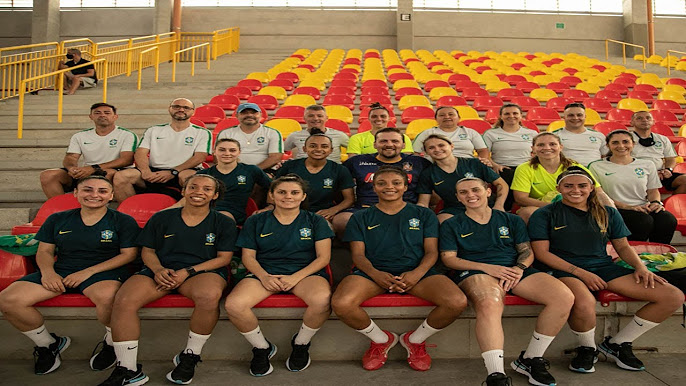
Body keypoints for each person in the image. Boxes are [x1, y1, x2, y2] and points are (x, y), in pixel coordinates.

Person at [529, 166, 684, 374]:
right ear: (559, 188)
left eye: (582, 185)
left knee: (672, 296)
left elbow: (622, 246)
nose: (576, 190)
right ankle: (587, 348)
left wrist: (640, 268)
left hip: (602, 266)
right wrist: (581, 273)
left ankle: (617, 344)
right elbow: (542, 254)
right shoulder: (545, 213)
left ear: (592, 187)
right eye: (568, 186)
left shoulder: (607, 212)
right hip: (563, 269)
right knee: (584, 302)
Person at [99, 175, 237, 386]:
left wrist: (187, 271)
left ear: (215, 195)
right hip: (160, 271)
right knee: (124, 301)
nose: (199, 191)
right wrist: (157, 269)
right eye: (193, 187)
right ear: (183, 191)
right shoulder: (162, 218)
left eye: (207, 188)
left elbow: (224, 259)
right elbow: (148, 250)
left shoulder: (223, 221)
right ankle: (127, 369)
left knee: (209, 296)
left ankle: (190, 356)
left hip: (200, 272)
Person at [331, 166, 467, 372]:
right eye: (382, 183)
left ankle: (415, 340)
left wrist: (416, 274)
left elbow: (431, 252)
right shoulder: (360, 217)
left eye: (396, 183)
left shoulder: (424, 214)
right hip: (372, 273)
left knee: (456, 302)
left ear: (405, 186)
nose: (389, 187)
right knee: (341, 303)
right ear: (374, 187)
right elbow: (358, 255)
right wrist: (377, 275)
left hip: (417, 272)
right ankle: (380, 340)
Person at [440, 177, 574, 386]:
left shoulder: (511, 220)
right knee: (489, 301)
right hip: (476, 270)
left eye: (475, 190)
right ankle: (496, 375)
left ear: (488, 192)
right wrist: (487, 267)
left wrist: (519, 269)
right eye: (463, 192)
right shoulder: (451, 223)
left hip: (512, 269)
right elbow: (449, 259)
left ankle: (530, 359)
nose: (470, 195)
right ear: (457, 197)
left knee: (563, 297)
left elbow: (526, 251)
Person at [0, 176, 139, 375]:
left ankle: (111, 342)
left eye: (102, 191)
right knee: (8, 300)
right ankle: (48, 344)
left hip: (104, 271)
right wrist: (48, 273)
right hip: (63, 270)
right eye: (87, 190)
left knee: (110, 299)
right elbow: (45, 251)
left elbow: (129, 255)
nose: (94, 195)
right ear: (76, 193)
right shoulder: (57, 218)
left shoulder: (123, 220)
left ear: (111, 196)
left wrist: (88, 272)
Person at [225, 174, 334, 376]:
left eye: (294, 193)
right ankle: (261, 348)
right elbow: (248, 257)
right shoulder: (256, 220)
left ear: (303, 196)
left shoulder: (316, 221)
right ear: (272, 195)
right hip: (265, 273)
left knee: (322, 300)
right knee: (234, 305)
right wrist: (264, 276)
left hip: (305, 273)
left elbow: (323, 258)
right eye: (282, 192)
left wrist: (295, 278)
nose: (288, 197)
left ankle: (301, 344)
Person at [332, 128, 431, 236]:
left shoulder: (419, 163)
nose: (389, 144)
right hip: (365, 208)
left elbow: (430, 189)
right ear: (375, 144)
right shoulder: (356, 162)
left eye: (395, 141)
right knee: (341, 221)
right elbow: (338, 185)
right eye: (383, 141)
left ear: (403, 145)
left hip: (406, 208)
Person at [113, 98, 211, 202]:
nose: (181, 110)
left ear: (193, 111)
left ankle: (188, 213)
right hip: (153, 171)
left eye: (186, 107)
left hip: (182, 170)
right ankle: (129, 212)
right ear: (169, 109)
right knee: (121, 176)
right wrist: (145, 171)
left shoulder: (202, 132)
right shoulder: (154, 130)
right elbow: (141, 152)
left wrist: (173, 172)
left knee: (189, 178)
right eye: (176, 106)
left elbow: (200, 157)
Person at [589, 130, 677, 244]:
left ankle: (658, 255)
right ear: (608, 146)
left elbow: (653, 190)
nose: (621, 146)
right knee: (642, 221)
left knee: (667, 219)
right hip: (613, 208)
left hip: (642, 207)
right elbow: (598, 195)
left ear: (633, 144)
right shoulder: (596, 166)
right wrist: (628, 207)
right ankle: (632, 256)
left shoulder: (647, 164)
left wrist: (655, 202)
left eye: (626, 142)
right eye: (615, 143)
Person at [40, 103, 137, 198]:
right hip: (87, 171)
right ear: (91, 116)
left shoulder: (127, 135)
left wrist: (94, 168)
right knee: (48, 175)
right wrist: (71, 168)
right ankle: (61, 209)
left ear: (115, 116)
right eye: (97, 113)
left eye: (107, 113)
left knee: (107, 173)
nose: (102, 115)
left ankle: (98, 205)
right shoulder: (80, 136)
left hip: (114, 171)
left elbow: (126, 160)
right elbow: (71, 157)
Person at [510, 132, 608, 223]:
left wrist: (611, 211)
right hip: (542, 207)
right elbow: (520, 198)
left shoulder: (575, 166)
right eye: (541, 145)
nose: (547, 148)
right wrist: (556, 207)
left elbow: (599, 192)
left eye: (552, 144)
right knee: (527, 212)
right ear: (533, 148)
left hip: (574, 205)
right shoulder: (524, 168)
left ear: (561, 147)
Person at [171, 138, 271, 225]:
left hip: (232, 213)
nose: (227, 153)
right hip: (203, 210)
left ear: (239, 152)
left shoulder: (251, 170)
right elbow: (189, 198)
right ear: (215, 152)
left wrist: (270, 206)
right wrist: (164, 212)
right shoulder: (203, 173)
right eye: (222, 150)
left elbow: (273, 187)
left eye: (232, 150)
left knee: (219, 218)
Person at [417, 134, 508, 223]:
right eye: (431, 148)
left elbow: (501, 185)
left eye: (441, 145)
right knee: (442, 221)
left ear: (452, 146)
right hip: (454, 210)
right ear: (425, 152)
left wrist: (499, 205)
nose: (437, 149)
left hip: (485, 206)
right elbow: (423, 202)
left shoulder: (474, 163)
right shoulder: (427, 174)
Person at [275, 133, 354, 222]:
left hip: (323, 214)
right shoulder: (289, 166)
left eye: (324, 146)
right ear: (304, 149)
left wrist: (333, 210)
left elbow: (349, 199)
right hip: (290, 211)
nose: (318, 149)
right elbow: (273, 190)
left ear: (331, 150)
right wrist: (271, 206)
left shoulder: (339, 169)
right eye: (313, 146)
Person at [482, 103, 538, 211]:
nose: (511, 116)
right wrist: (495, 165)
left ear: (521, 115)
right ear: (501, 116)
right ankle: (506, 209)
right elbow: (484, 155)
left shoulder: (531, 133)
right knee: (508, 174)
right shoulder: (490, 134)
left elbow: (537, 153)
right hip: (501, 167)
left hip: (526, 167)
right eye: (507, 113)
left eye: (515, 113)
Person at [630, 110, 686, 193]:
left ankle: (672, 204)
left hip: (660, 174)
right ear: (631, 123)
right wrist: (650, 173)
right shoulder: (626, 139)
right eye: (639, 118)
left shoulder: (662, 139)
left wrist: (668, 170)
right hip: (636, 173)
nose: (645, 120)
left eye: (648, 118)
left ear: (653, 122)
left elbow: (670, 158)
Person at [216, 103, 283, 170]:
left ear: (260, 115)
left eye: (254, 113)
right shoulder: (226, 133)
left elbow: (275, 157)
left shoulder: (272, 133)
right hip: (232, 171)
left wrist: (254, 171)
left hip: (264, 171)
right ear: (237, 115)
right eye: (244, 113)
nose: (249, 115)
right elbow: (217, 156)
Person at [412, 106, 489, 159]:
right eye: (442, 115)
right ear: (436, 119)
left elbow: (482, 150)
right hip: (435, 166)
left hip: (466, 165)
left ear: (459, 118)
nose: (447, 117)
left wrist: (481, 163)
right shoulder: (427, 133)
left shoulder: (471, 132)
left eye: (451, 114)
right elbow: (415, 153)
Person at [283, 105, 350, 163]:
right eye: (311, 116)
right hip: (301, 172)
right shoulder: (294, 136)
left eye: (320, 116)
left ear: (326, 118)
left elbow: (353, 152)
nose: (315, 118)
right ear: (304, 118)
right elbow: (282, 152)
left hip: (333, 172)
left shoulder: (340, 135)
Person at [346, 102, 413, 156]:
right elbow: (354, 163)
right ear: (369, 118)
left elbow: (406, 162)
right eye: (374, 116)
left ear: (389, 118)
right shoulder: (356, 138)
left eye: (383, 116)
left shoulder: (403, 137)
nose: (379, 119)